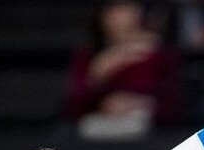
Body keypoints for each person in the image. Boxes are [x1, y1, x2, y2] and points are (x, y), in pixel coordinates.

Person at [65, 0, 182, 138]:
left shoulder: (157, 53)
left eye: (127, 9)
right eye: (114, 11)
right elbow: (74, 106)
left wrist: (142, 103)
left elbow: (173, 102)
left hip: (146, 126)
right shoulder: (88, 56)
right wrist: (96, 75)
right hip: (99, 125)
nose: (121, 18)